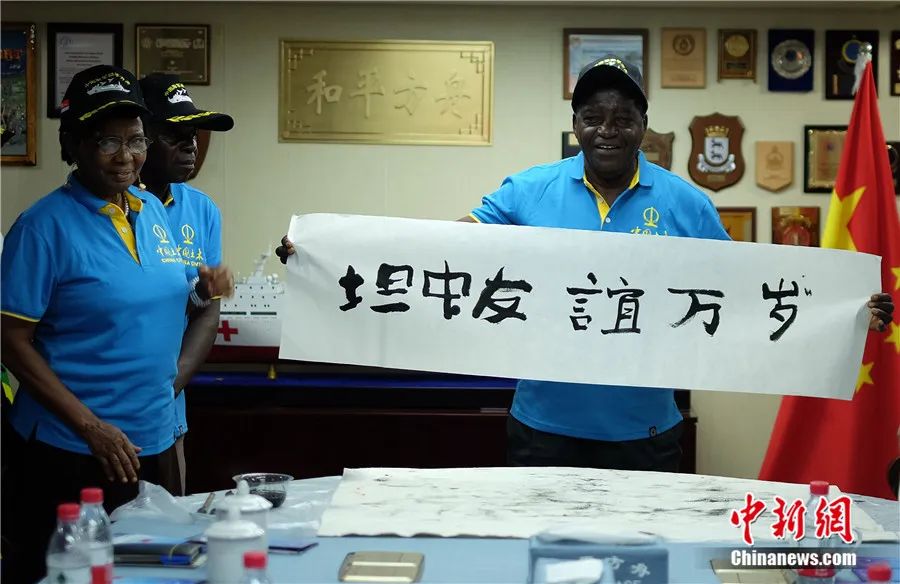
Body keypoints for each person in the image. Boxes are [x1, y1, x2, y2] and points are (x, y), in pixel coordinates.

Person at [275, 56, 894, 473]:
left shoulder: (686, 204)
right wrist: (331, 256)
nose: (607, 130)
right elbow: (446, 250)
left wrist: (844, 311)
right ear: (575, 125)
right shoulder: (529, 190)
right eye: (593, 117)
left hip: (647, 435)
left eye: (623, 118)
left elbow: (747, 295)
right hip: (543, 429)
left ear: (643, 126)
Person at [0, 65, 233, 583]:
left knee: (145, 575)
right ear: (74, 145)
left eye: (136, 140)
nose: (126, 156)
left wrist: (202, 291)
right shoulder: (42, 227)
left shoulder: (149, 209)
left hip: (147, 441)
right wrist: (91, 427)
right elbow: (9, 339)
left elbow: (161, 301)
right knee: (65, 574)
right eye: (108, 141)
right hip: (70, 450)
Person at [139, 73, 235, 495]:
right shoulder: (110, 209)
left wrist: (167, 389)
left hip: (166, 406)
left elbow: (205, 309)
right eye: (174, 135)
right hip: (98, 409)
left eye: (192, 134)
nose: (191, 145)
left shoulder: (202, 210)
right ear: (139, 137)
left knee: (169, 514)